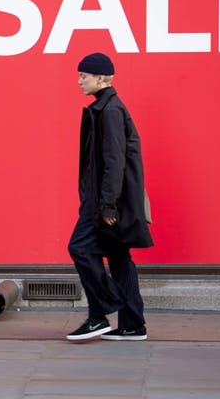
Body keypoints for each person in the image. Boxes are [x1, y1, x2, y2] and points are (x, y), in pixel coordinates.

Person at [66, 52, 154, 342]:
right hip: (106, 199)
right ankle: (132, 324)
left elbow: (114, 162)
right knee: (118, 256)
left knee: (79, 247)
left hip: (106, 202)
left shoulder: (111, 111)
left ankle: (99, 313)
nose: (79, 81)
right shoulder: (104, 108)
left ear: (101, 78)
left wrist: (106, 204)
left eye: (84, 76)